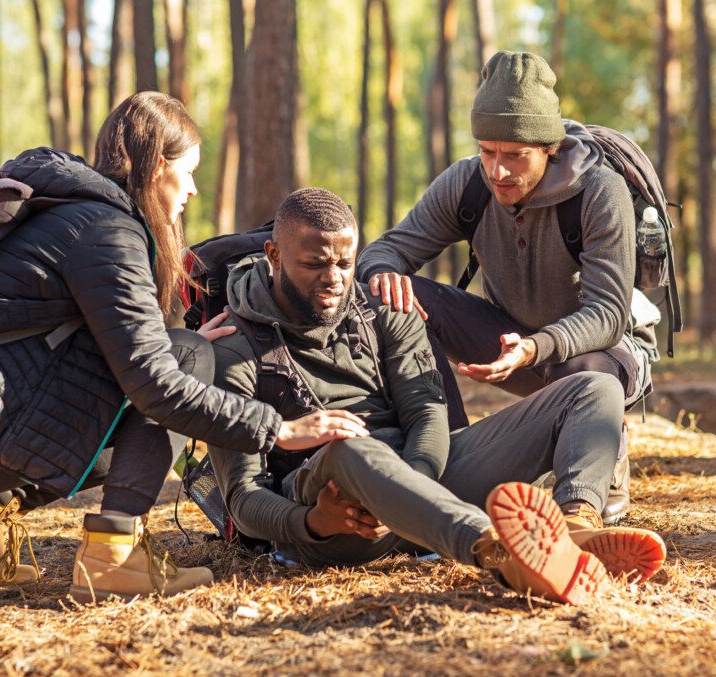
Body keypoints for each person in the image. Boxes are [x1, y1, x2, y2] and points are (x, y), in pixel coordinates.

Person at [0, 93, 357, 602]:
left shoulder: (73, 209)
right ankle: (112, 553)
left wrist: (173, 345)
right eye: (189, 171)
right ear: (157, 166)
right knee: (190, 363)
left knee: (183, 351)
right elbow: (154, 385)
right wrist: (278, 429)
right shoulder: (108, 230)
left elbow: (83, 341)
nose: (194, 190)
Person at [208, 188, 666, 606]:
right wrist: (310, 524)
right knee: (349, 444)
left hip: (424, 480)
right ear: (273, 254)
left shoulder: (383, 308)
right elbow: (243, 497)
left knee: (594, 387)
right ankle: (497, 550)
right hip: (337, 515)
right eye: (315, 264)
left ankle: (576, 528)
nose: (334, 279)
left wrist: (411, 485)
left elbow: (428, 413)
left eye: (345, 264)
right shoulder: (235, 348)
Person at [357, 51, 655, 527]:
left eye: (515, 155)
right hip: (505, 337)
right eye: (487, 151)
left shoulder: (600, 192)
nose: (497, 171)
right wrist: (382, 273)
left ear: (548, 148)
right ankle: (447, 452)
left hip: (600, 352)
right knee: (398, 294)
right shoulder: (467, 183)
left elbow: (608, 315)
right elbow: (386, 249)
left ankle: (592, 476)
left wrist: (536, 348)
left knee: (592, 375)